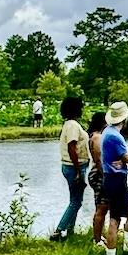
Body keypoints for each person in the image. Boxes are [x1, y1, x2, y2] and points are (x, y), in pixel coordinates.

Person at [99, 101, 128, 255]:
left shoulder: (107, 131)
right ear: (124, 119)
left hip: (111, 178)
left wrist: (123, 160)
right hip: (117, 180)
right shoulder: (116, 136)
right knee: (115, 219)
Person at [51, 96, 87, 241]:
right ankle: (59, 230)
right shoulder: (72, 125)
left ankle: (70, 231)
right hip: (74, 167)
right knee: (76, 201)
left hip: (72, 166)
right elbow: (72, 147)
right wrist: (78, 170)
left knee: (75, 200)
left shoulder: (70, 124)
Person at [87, 111, 109, 246]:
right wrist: (105, 175)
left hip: (97, 172)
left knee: (101, 207)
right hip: (99, 173)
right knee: (101, 207)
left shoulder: (94, 136)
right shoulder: (97, 138)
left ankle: (99, 236)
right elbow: (99, 160)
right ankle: (97, 239)